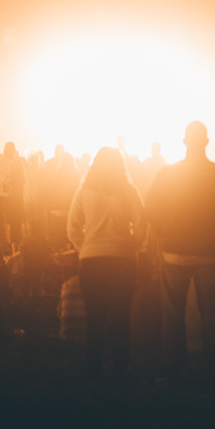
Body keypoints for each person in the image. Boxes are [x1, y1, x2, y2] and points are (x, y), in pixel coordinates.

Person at [145, 121, 215, 375]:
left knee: (172, 314)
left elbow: (152, 208)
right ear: (207, 142)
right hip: (209, 253)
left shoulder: (169, 174)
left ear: (184, 142)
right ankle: (213, 366)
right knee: (212, 312)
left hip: (174, 252)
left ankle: (174, 366)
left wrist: (165, 233)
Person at [67, 147, 143, 379]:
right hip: (123, 261)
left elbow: (72, 229)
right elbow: (141, 227)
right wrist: (131, 246)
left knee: (95, 317)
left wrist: (86, 248)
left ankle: (94, 367)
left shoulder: (84, 191)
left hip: (92, 262)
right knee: (121, 316)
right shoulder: (129, 191)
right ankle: (120, 367)